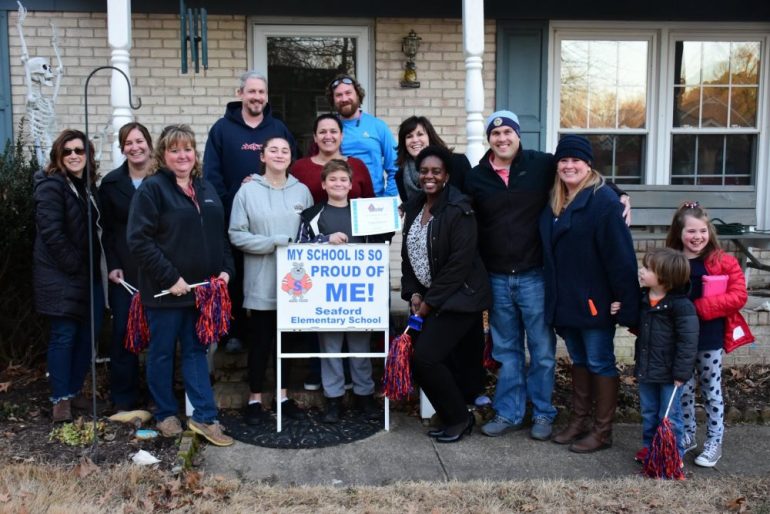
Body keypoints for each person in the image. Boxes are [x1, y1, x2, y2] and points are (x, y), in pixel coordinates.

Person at [464, 111, 631, 440]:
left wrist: (619, 192)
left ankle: (543, 413)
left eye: (508, 132)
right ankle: (509, 411)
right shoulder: (477, 177)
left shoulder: (540, 164)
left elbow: (579, 169)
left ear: (518, 135)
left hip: (535, 276)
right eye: (495, 134)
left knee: (541, 351)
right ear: (489, 139)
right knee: (506, 351)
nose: (502, 139)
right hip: (497, 278)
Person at [127, 124, 234, 446]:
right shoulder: (152, 189)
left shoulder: (206, 189)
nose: (182, 155)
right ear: (163, 154)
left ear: (194, 154)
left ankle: (203, 417)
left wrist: (226, 270)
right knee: (160, 354)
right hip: (165, 293)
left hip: (201, 294)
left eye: (187, 149)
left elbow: (219, 236)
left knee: (195, 352)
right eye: (174, 150)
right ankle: (164, 414)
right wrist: (170, 277)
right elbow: (139, 240)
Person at [539, 135, 640, 449]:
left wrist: (624, 301)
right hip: (566, 301)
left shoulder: (603, 201)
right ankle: (579, 421)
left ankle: (602, 431)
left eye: (576, 160)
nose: (569, 166)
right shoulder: (556, 199)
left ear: (588, 165)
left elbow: (621, 257)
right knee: (579, 361)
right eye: (564, 160)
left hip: (595, 301)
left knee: (599, 362)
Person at [401, 145, 492, 443]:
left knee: (425, 358)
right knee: (431, 360)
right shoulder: (415, 205)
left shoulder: (458, 209)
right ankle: (454, 417)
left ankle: (459, 418)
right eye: (424, 171)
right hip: (432, 297)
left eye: (436, 171)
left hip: (461, 298)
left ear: (447, 175)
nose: (429, 176)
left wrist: (427, 304)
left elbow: (458, 266)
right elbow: (408, 254)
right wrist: (413, 291)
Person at [203, 70, 297, 354]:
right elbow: (211, 173)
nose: (257, 97)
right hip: (234, 214)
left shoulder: (278, 129)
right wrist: (227, 201)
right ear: (240, 94)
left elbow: (291, 164)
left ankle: (281, 333)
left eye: (261, 92)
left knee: (270, 277)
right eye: (252, 91)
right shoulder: (222, 129)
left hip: (272, 218)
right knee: (235, 274)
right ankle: (233, 332)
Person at [228, 136, 313, 425]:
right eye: (273, 150)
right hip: (261, 280)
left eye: (285, 150)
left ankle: (283, 396)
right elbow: (236, 234)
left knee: (286, 343)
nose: (279, 154)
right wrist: (273, 242)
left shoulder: (301, 191)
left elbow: (310, 235)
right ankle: (255, 399)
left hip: (295, 285)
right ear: (262, 156)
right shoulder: (248, 191)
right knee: (261, 342)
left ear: (291, 157)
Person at [296, 159, 387, 423]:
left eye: (343, 180)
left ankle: (364, 397)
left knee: (360, 346)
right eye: (332, 180)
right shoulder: (313, 215)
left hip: (358, 292)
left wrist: (393, 219)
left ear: (351, 185)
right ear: (324, 184)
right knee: (330, 347)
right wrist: (325, 240)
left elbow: (381, 242)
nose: (338, 184)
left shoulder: (364, 212)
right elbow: (299, 250)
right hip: (325, 295)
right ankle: (333, 399)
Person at [665, 201, 751, 467]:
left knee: (711, 389)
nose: (697, 237)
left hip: (709, 337)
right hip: (680, 339)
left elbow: (739, 296)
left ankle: (715, 440)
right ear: (679, 232)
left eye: (702, 231)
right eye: (691, 231)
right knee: (685, 389)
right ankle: (687, 434)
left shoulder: (722, 261)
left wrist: (697, 309)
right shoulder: (670, 260)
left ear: (709, 232)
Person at [33, 129, 104, 423]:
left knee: (89, 338)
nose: (74, 155)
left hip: (89, 276)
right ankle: (60, 399)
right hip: (62, 275)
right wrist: (75, 265)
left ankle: (74, 391)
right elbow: (51, 232)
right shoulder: (52, 186)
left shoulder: (87, 187)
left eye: (80, 150)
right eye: (68, 151)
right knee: (64, 336)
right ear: (58, 157)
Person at [98, 122, 152, 412]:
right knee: (123, 334)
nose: (135, 147)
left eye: (139, 141)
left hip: (158, 271)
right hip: (124, 274)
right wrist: (114, 265)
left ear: (149, 144)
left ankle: (160, 396)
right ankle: (124, 398)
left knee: (160, 336)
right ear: (122, 149)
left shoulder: (164, 179)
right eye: (128, 143)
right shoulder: (110, 184)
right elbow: (108, 231)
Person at [634, 247, 699, 465]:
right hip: (647, 368)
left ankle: (673, 453)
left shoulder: (681, 306)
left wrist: (681, 372)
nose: (641, 271)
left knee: (669, 415)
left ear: (665, 278)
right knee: (649, 412)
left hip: (670, 373)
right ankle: (650, 448)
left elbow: (688, 342)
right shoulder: (643, 299)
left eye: (647, 268)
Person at [327, 74, 398, 197]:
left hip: (372, 201)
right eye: (338, 95)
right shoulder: (328, 130)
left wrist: (387, 198)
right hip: (338, 200)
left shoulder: (378, 126)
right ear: (332, 100)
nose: (344, 99)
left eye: (348, 93)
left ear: (358, 95)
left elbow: (395, 166)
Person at [291, 113, 375, 203]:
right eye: (322, 132)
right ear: (315, 137)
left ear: (341, 136)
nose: (328, 136)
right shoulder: (299, 168)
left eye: (333, 131)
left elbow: (370, 203)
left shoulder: (358, 166)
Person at [395, 115, 470, 201]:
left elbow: (471, 200)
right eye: (409, 136)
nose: (415, 140)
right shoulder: (400, 176)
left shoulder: (458, 163)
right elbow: (408, 208)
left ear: (430, 137)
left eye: (420, 134)